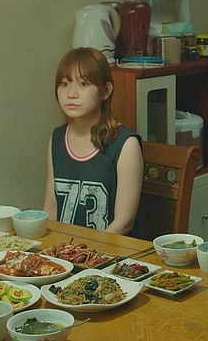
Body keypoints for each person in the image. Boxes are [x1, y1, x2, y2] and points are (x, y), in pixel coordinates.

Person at [43, 47, 144, 235]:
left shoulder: (125, 144)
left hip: (112, 249)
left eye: (83, 84)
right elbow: (51, 210)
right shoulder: (57, 138)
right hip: (65, 248)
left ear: (106, 91)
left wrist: (85, 250)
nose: (71, 94)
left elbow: (123, 223)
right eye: (64, 83)